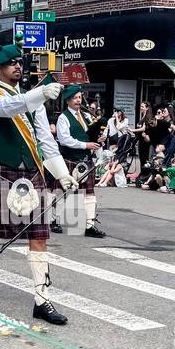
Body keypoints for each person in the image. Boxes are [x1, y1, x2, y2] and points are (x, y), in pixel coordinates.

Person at [0, 43, 77, 324]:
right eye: (11, 63)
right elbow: (7, 107)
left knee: (39, 237)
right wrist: (39, 94)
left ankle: (42, 299)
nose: (18, 66)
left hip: (33, 175)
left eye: (19, 62)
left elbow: (45, 140)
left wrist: (62, 173)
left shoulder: (32, 100)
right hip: (3, 173)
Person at [52, 82, 106, 238]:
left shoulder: (86, 115)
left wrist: (98, 139)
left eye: (79, 97)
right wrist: (86, 145)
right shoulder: (63, 118)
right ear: (68, 100)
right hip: (70, 158)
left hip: (85, 160)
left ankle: (89, 225)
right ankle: (54, 219)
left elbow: (89, 134)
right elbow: (64, 140)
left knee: (89, 192)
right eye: (74, 98)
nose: (78, 100)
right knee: (63, 190)